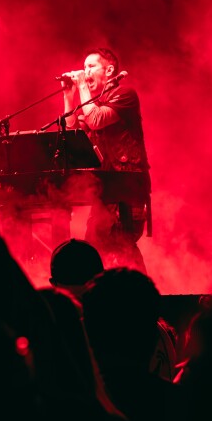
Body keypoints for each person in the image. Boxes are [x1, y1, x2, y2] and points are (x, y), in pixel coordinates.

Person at [60, 47, 150, 269]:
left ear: (109, 70)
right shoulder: (93, 102)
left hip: (127, 188)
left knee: (121, 245)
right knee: (97, 248)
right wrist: (68, 97)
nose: (85, 71)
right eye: (83, 67)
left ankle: (141, 293)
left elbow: (96, 120)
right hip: (106, 190)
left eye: (91, 66)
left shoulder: (126, 94)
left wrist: (82, 85)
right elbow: (72, 133)